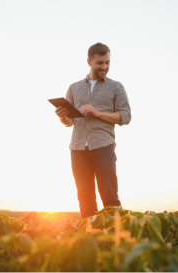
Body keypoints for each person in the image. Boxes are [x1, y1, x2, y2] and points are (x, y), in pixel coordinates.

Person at [55, 42, 131, 219]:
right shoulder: (74, 88)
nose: (104, 67)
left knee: (110, 199)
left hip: (103, 147)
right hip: (77, 148)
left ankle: (116, 240)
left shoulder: (116, 87)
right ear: (89, 62)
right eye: (100, 63)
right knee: (85, 198)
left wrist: (97, 113)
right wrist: (61, 116)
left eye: (107, 63)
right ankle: (91, 240)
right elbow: (69, 122)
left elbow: (126, 116)